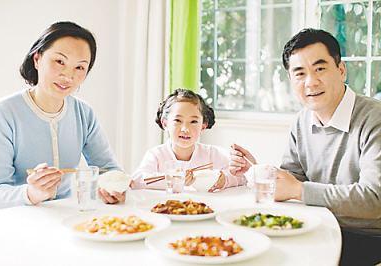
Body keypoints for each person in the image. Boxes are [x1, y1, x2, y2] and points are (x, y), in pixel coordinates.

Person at [230, 28, 381, 265]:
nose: (311, 81)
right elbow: (294, 179)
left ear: (341, 71)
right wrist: (261, 172)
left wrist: (298, 190)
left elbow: (374, 199)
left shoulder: (374, 118)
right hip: (317, 225)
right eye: (300, 73)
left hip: (367, 238)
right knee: (244, 245)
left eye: (320, 68)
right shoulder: (302, 119)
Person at [0, 21, 124, 209]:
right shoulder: (3, 113)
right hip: (16, 221)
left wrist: (114, 187)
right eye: (59, 61)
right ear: (37, 59)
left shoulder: (84, 113)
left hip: (66, 216)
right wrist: (31, 193)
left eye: (79, 67)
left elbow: (109, 170)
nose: (68, 76)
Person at [131, 88, 245, 191]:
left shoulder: (212, 154)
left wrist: (224, 180)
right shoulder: (156, 154)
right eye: (177, 121)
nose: (185, 129)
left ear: (203, 126)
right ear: (165, 123)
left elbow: (242, 177)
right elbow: (137, 180)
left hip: (204, 207)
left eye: (193, 122)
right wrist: (175, 180)